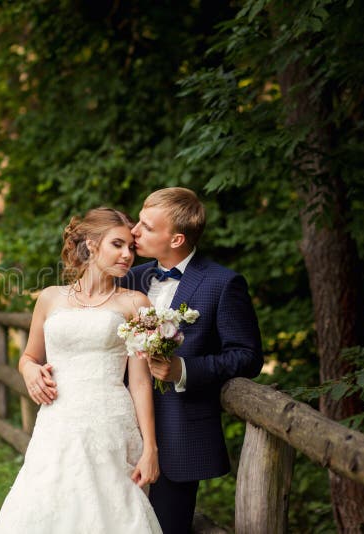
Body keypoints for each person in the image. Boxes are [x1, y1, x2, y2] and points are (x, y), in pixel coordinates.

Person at [0, 207, 163, 534]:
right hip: (57, 422)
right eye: (117, 244)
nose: (127, 255)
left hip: (110, 423)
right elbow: (29, 356)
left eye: (131, 247)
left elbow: (141, 383)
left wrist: (151, 448)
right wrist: (29, 371)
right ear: (91, 244)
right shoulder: (50, 298)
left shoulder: (137, 304)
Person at [119, 187, 263, 534]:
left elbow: (248, 356)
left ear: (177, 238)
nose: (134, 231)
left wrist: (184, 369)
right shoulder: (130, 278)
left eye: (147, 227)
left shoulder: (222, 283)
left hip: (179, 436)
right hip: (120, 429)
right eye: (138, 221)